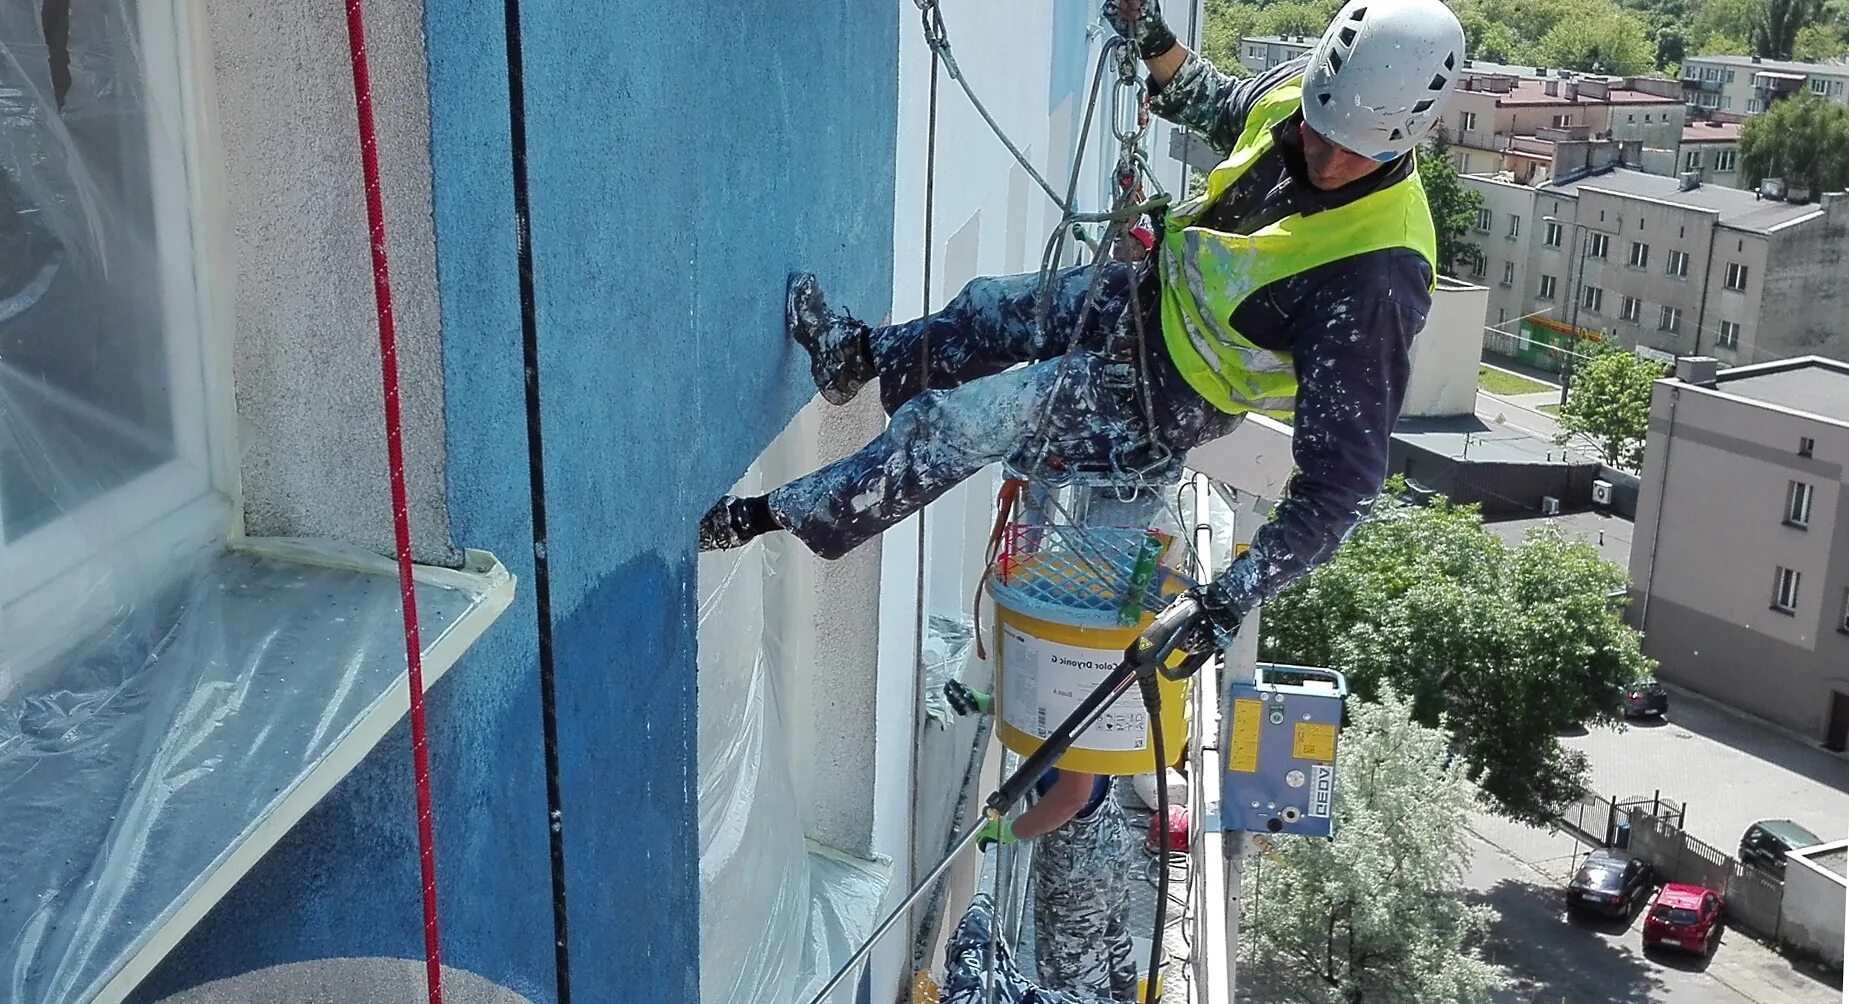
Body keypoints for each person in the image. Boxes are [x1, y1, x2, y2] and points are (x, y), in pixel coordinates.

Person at [701, 0, 1465, 656]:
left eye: (1350, 155)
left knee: (960, 423)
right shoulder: (1301, 108)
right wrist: (1148, 33)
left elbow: (1341, 484)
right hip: (1148, 301)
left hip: (1163, 399)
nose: (1324, 159)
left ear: (1406, 138)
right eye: (1317, 131)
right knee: (987, 308)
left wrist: (1231, 595)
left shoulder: (1375, 279)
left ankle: (763, 516)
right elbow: (1220, 103)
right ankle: (852, 358)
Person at [947, 683, 1138, 999]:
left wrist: (1014, 830)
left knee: (1073, 977)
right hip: (1108, 835)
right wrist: (991, 705)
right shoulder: (1078, 677)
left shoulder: (1071, 689)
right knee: (1110, 940)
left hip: (1078, 867)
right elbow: (1049, 714)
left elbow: (1072, 796)